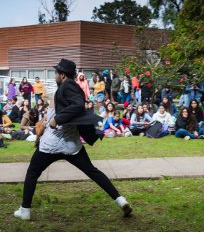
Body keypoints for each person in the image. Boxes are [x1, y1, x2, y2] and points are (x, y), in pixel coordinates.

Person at [14, 59, 132, 220]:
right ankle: (121, 201)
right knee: (93, 172)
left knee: (32, 172)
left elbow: (77, 105)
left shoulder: (68, 85)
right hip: (71, 145)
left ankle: (25, 210)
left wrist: (57, 119)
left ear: (62, 75)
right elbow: (74, 107)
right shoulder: (67, 87)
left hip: (53, 143)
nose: (55, 75)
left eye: (56, 72)